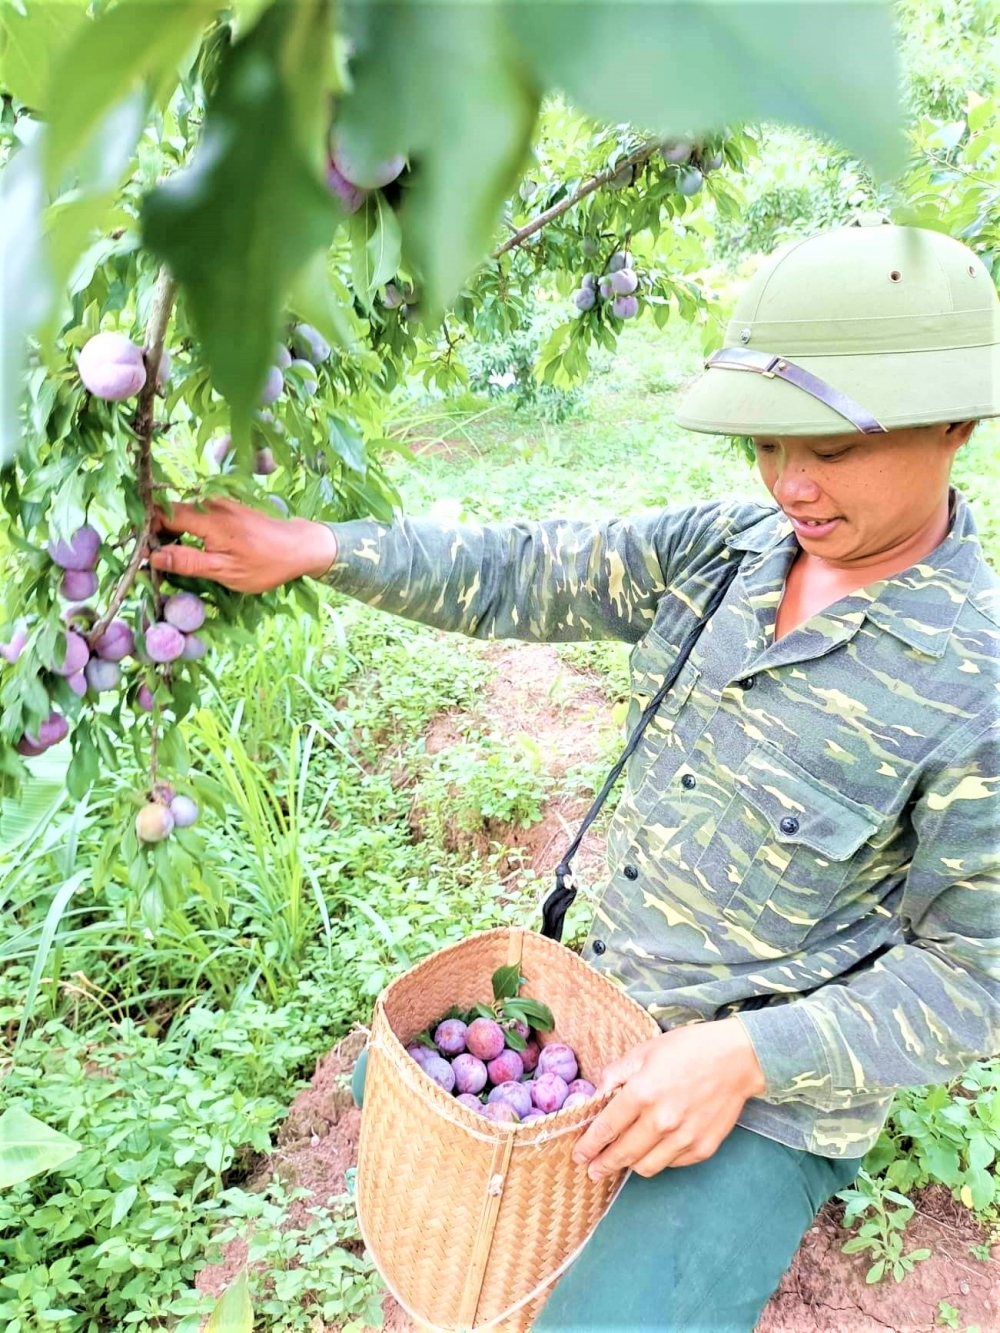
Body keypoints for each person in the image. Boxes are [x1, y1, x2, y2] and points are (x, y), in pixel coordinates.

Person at [152, 216, 1000, 1331]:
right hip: (601, 1005)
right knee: (398, 1097)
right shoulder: (729, 550)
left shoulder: (972, 682)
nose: (788, 482)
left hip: (766, 1098)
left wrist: (748, 1057)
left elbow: (973, 970)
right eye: (764, 445)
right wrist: (322, 546)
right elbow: (522, 570)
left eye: (829, 448)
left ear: (951, 421)